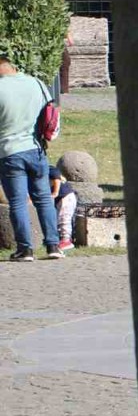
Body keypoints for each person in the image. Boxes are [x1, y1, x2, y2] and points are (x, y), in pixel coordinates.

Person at [0, 53, 62, 261]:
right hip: (36, 149)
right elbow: (51, 113)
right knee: (44, 199)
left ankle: (25, 249)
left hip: (9, 152)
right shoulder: (36, 83)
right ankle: (54, 245)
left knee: (17, 202)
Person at [48, 165, 76, 251]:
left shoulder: (47, 167)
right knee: (60, 218)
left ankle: (66, 241)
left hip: (65, 196)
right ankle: (63, 238)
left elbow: (56, 175)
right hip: (63, 198)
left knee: (64, 218)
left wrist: (55, 192)